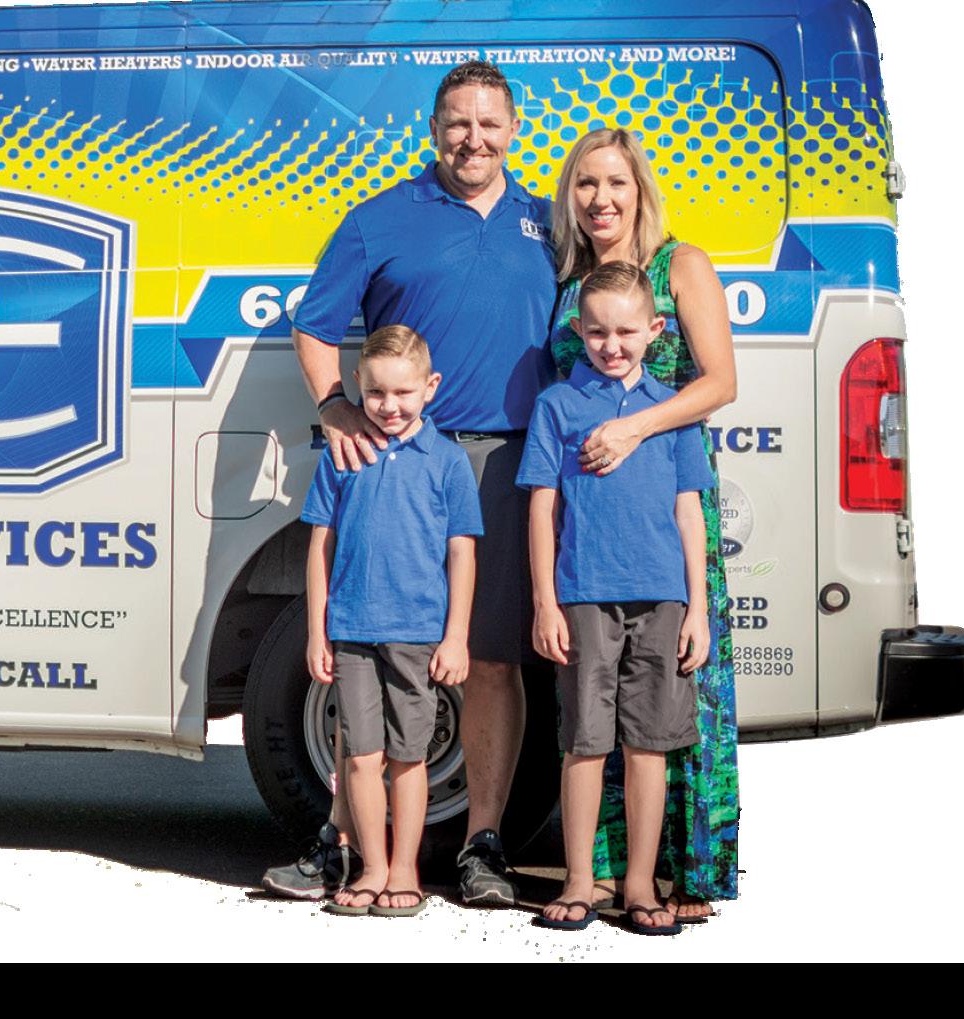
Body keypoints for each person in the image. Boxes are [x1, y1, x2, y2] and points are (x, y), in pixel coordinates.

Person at [262, 59, 557, 905]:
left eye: (489, 123)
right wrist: (335, 407)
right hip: (398, 463)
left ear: (513, 130)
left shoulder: (547, 223)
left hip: (503, 465)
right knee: (361, 651)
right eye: (457, 123)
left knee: (489, 659)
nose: (473, 138)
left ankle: (482, 845)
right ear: (433, 130)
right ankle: (341, 843)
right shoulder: (379, 218)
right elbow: (315, 326)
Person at [547, 127, 739, 921]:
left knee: (676, 697)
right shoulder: (569, 283)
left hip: (665, 508)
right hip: (588, 530)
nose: (600, 199)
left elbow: (719, 382)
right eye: (585, 183)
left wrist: (633, 427)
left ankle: (677, 874)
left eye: (615, 182)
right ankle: (597, 874)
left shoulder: (678, 265)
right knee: (591, 714)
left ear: (639, 191)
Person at [519, 262, 713, 935]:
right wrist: (545, 601)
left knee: (648, 747)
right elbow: (541, 508)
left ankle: (638, 883)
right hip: (583, 597)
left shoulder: (671, 410)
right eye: (598, 331)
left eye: (626, 331)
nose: (611, 345)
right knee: (584, 742)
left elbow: (688, 513)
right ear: (578, 330)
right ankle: (579, 880)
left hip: (662, 600)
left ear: (655, 330)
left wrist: (697, 608)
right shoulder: (557, 406)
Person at [302, 325, 482, 917]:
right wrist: (317, 630)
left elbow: (462, 554)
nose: (389, 405)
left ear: (430, 387)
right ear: (357, 383)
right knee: (359, 755)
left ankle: (405, 869)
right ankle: (372, 866)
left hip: (418, 634)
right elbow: (320, 548)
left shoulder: (448, 461)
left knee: (409, 756)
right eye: (377, 392)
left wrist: (456, 635)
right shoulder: (341, 455)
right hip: (352, 631)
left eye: (404, 393)